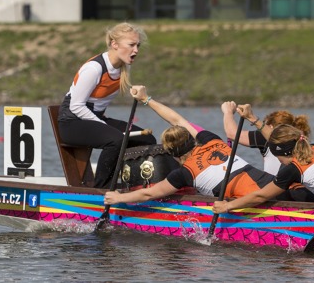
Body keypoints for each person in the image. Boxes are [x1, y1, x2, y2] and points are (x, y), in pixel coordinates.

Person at [104, 85, 273, 205]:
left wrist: (118, 198)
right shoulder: (211, 140)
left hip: (259, 196)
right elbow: (177, 120)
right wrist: (145, 98)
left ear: (172, 154)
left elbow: (148, 194)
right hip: (274, 183)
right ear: (192, 140)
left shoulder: (185, 173)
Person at [58, 23, 156, 189]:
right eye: (131, 45)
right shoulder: (94, 68)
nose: (136, 50)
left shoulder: (124, 67)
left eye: (137, 45)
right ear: (114, 44)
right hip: (71, 122)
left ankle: (134, 185)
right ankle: (102, 189)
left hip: (92, 119)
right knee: (116, 140)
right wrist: (103, 126)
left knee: (147, 139)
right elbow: (76, 106)